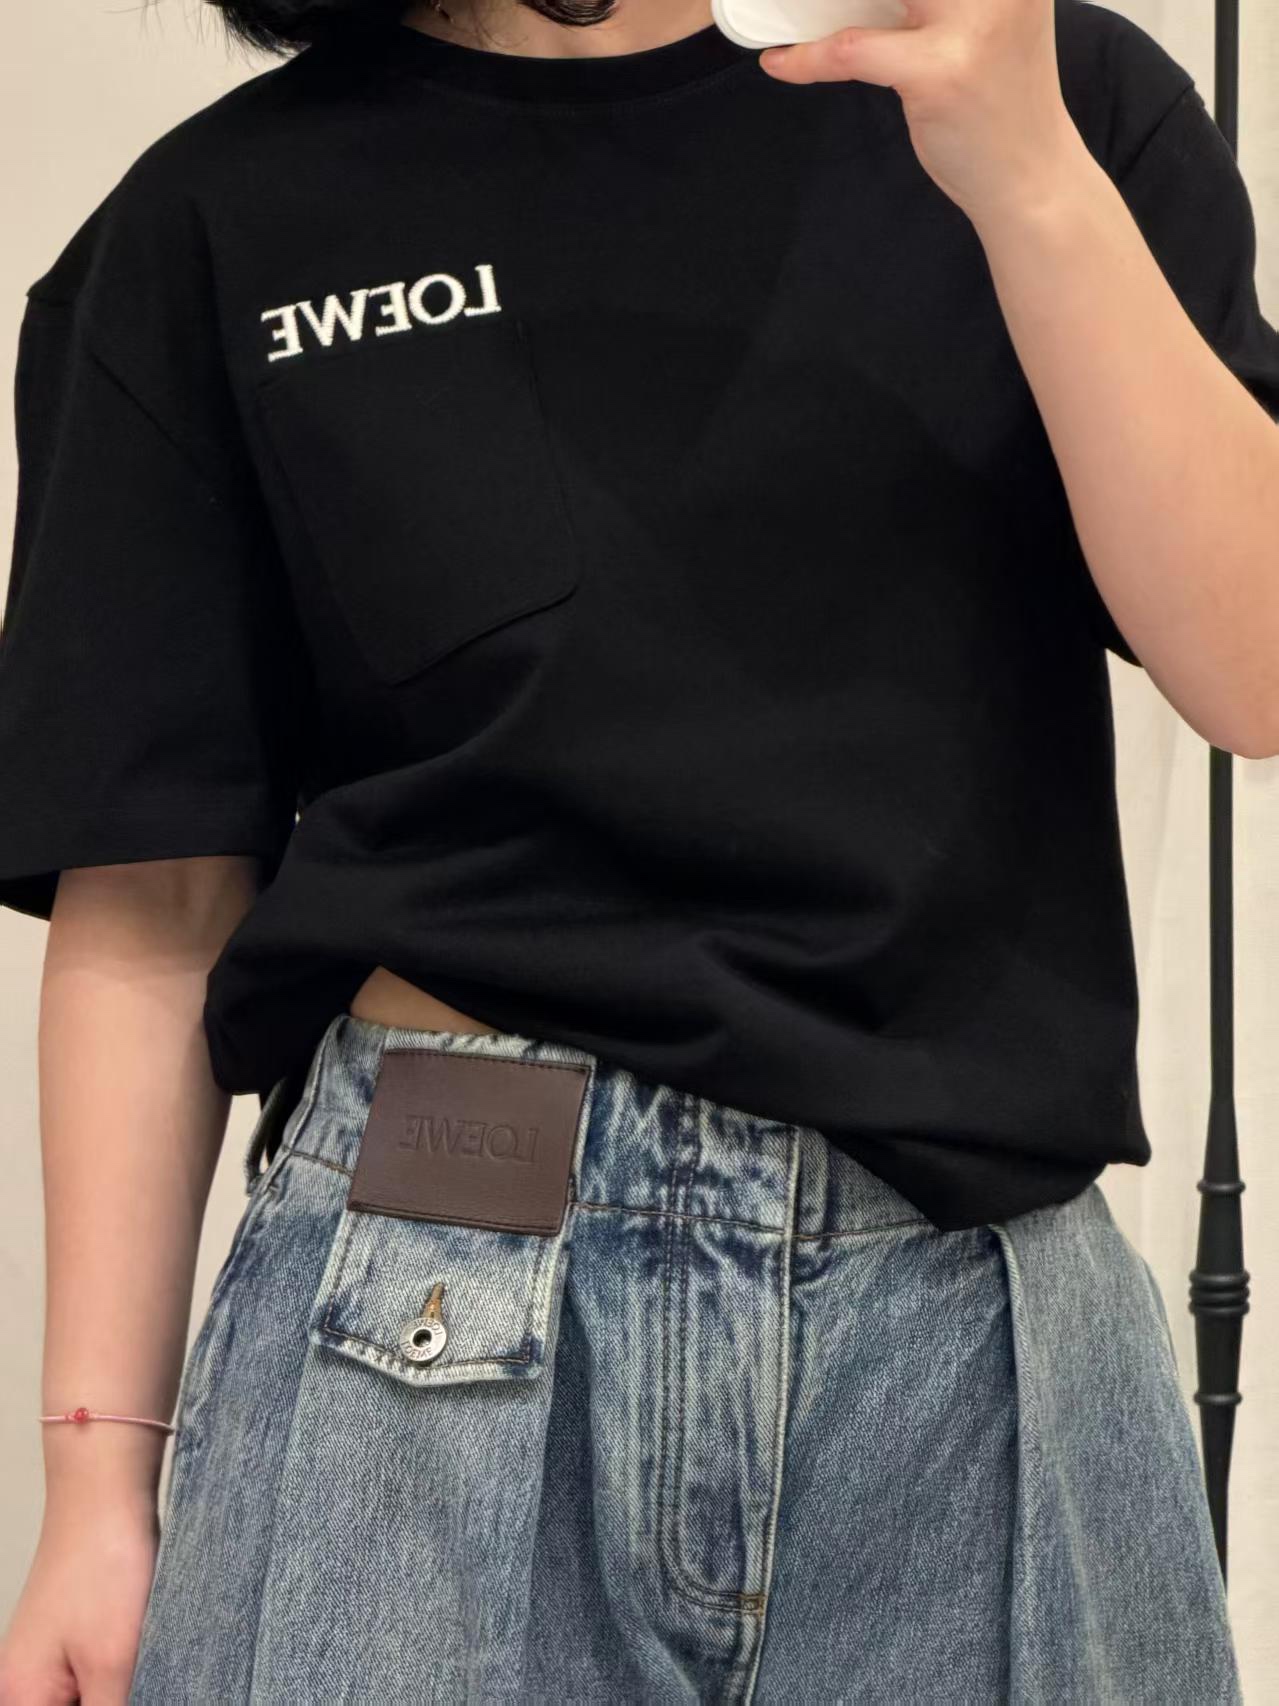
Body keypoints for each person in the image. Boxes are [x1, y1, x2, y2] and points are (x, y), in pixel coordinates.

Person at [1, 0, 1275, 1696]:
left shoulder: (1056, 96)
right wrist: (95, 1481)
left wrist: (1029, 173)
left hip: (969, 1322)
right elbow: (156, 896)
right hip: (425, 1307)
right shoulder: (214, 221)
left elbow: (1255, 668)